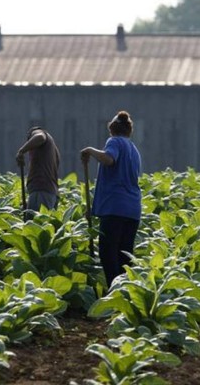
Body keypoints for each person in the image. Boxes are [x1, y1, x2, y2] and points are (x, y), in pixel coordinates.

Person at [80, 111, 142, 288]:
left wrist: (91, 151)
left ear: (112, 129)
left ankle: (114, 292)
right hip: (132, 209)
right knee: (124, 255)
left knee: (108, 253)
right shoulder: (134, 149)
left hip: (115, 208)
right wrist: (94, 208)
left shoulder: (114, 141)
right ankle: (125, 293)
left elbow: (109, 160)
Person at [16, 126, 60, 212]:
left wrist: (21, 151)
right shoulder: (53, 149)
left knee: (34, 223)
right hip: (51, 193)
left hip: (41, 190)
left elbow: (40, 137)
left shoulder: (39, 133)